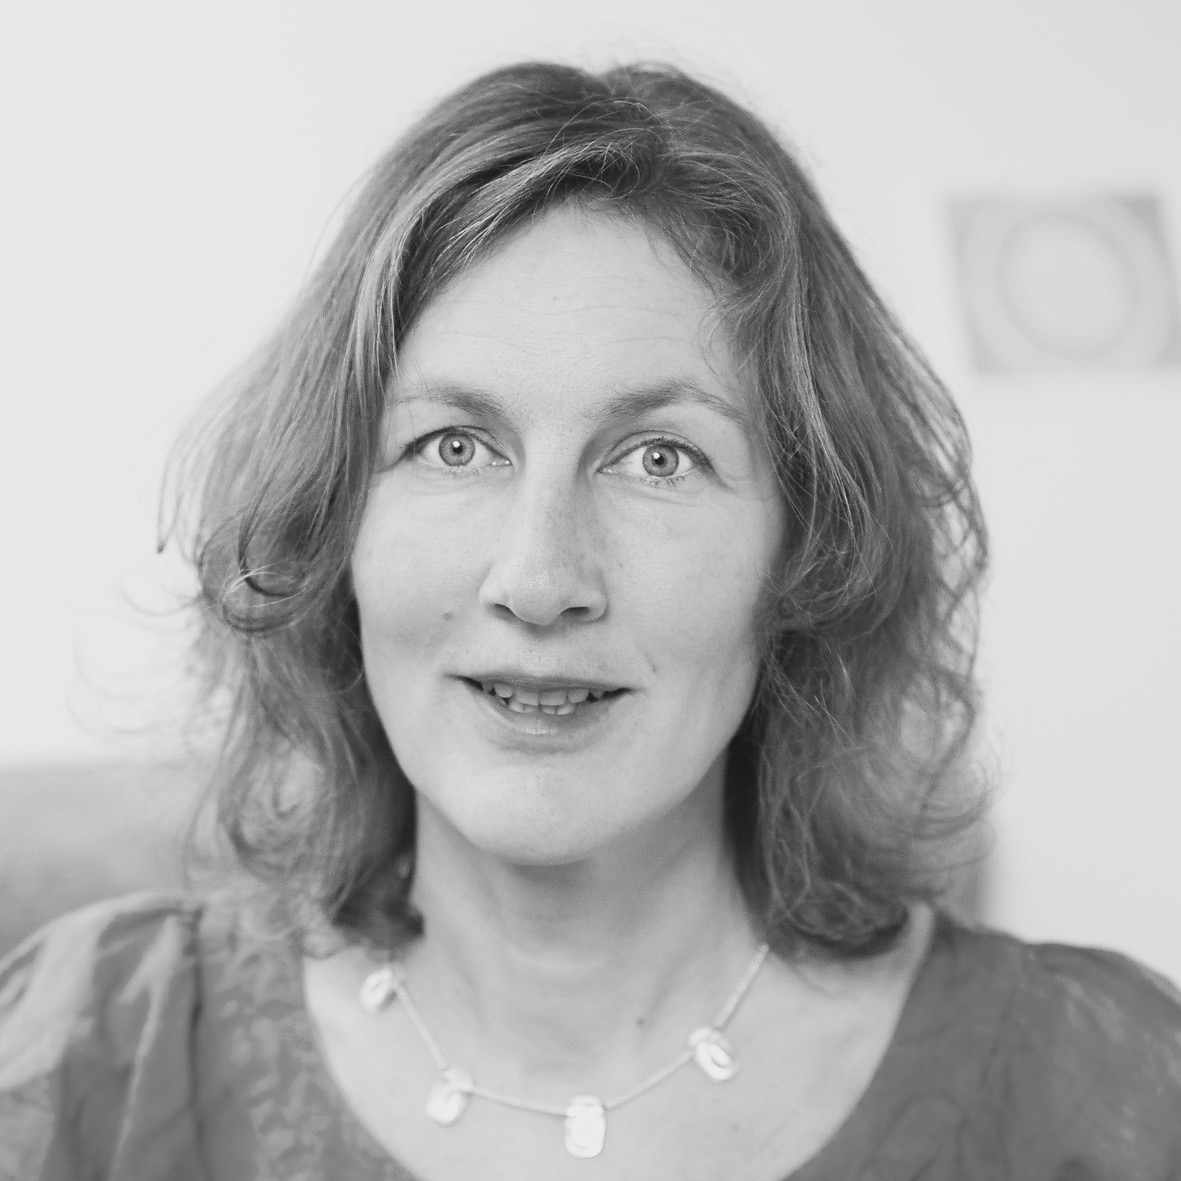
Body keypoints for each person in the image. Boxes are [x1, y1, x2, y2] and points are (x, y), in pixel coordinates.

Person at [1, 61, 1179, 1181]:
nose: (537, 576)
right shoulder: (96, 1051)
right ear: (332, 525)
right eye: (452, 445)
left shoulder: (1100, 1089)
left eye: (657, 456)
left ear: (807, 553)